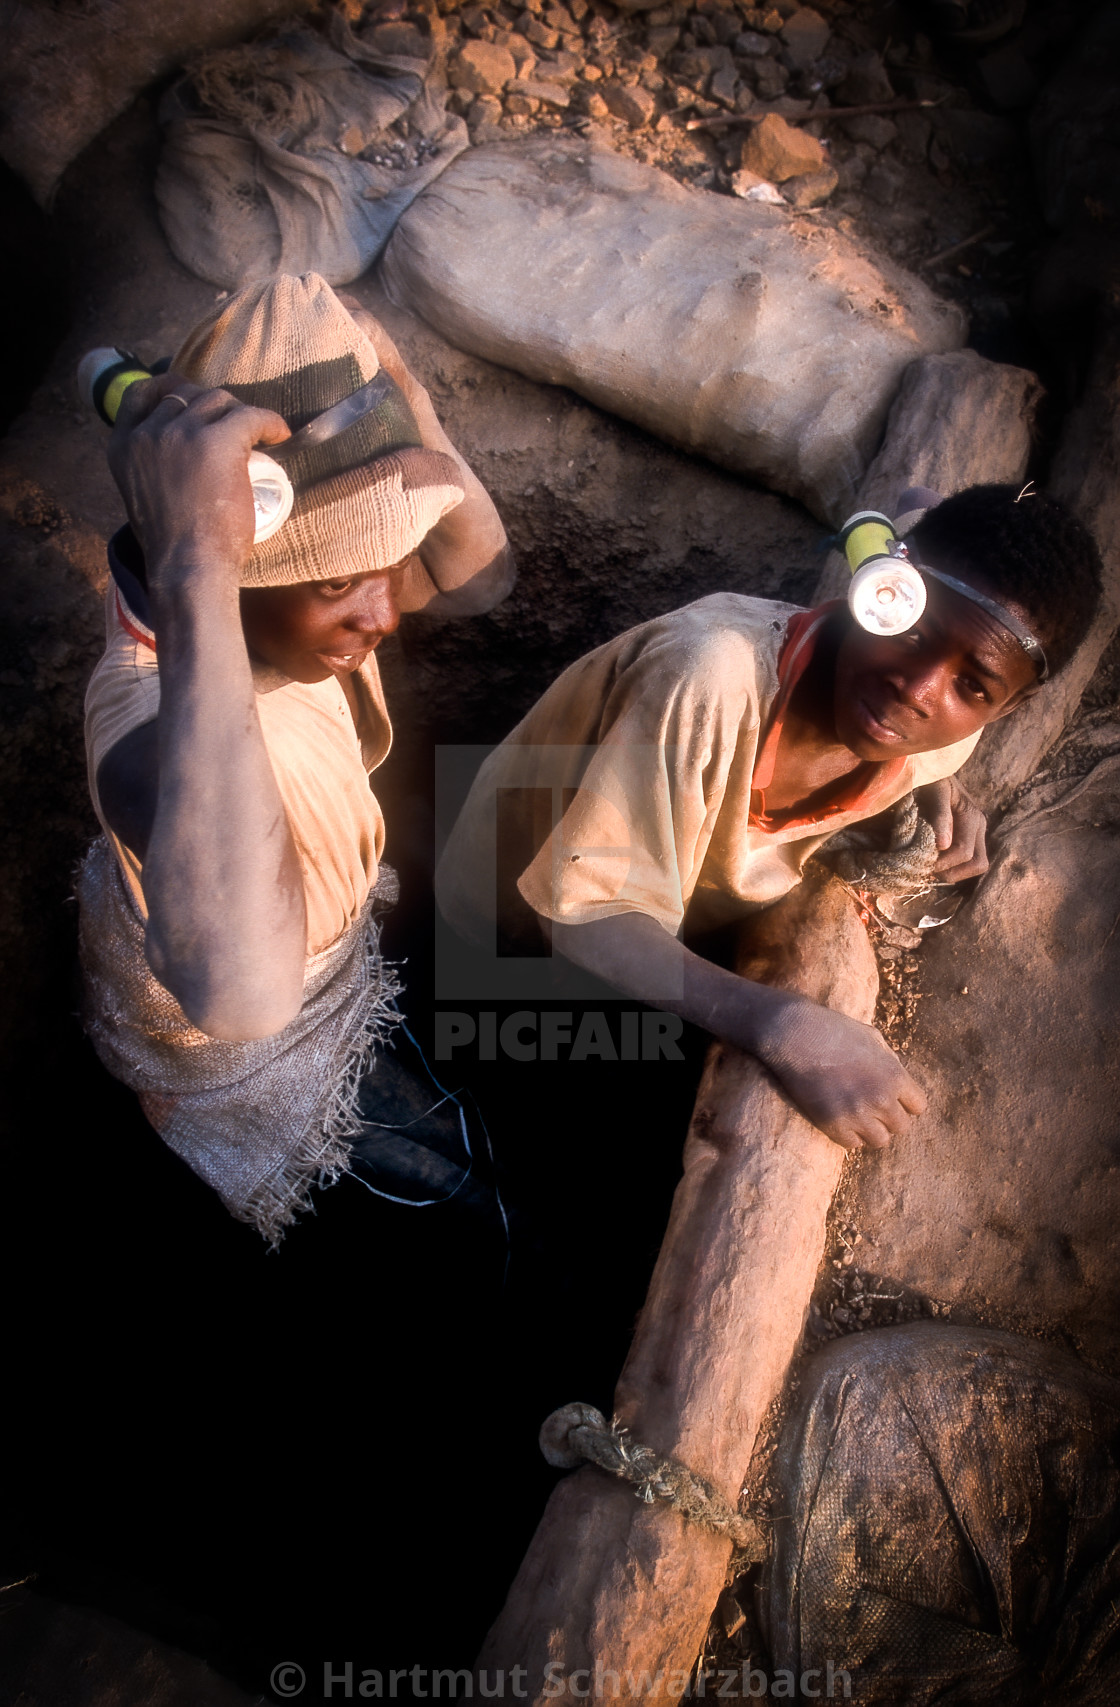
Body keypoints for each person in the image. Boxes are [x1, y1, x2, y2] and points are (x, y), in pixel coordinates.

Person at [437, 483, 1102, 1154]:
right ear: (880, 582)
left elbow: (914, 502)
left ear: (1008, 708)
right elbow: (580, 919)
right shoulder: (708, 677)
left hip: (665, 914)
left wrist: (935, 781)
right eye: (912, 626)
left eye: (974, 688)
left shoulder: (944, 735)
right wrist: (780, 1021)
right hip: (503, 937)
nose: (917, 688)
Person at [77, 271, 513, 1243]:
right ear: (234, 565)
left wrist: (395, 396)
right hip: (246, 1056)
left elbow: (479, 576)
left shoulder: (291, 618)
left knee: (461, 1158)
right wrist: (197, 554)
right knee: (443, 1223)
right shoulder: (146, 726)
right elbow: (243, 994)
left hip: (338, 966)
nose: (388, 611)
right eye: (343, 579)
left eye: (385, 563)